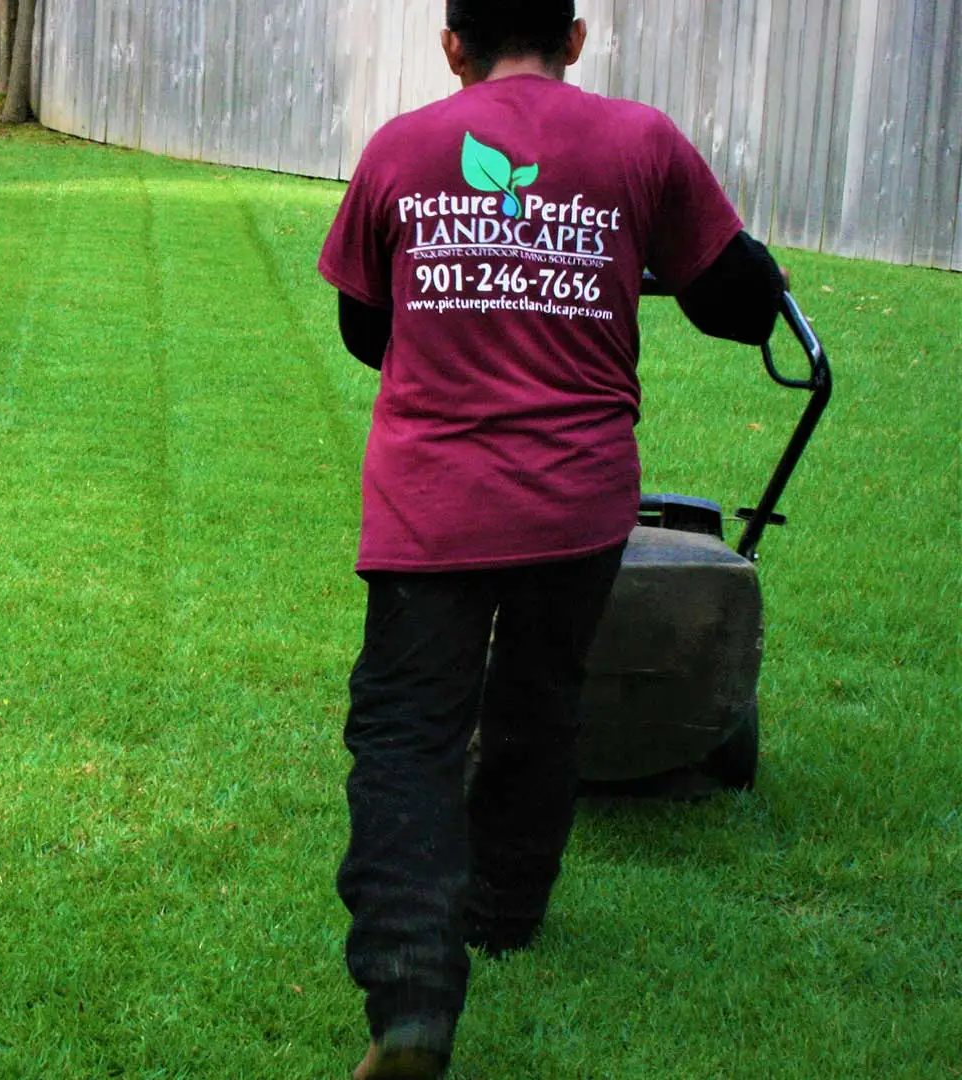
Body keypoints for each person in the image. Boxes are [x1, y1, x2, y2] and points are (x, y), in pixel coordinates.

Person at [315, 2, 787, 1077]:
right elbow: (730, 301)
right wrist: (757, 282)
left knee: (407, 735)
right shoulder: (641, 143)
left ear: (452, 46)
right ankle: (503, 911)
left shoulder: (400, 150)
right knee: (539, 699)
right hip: (575, 508)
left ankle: (412, 998)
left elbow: (362, 326)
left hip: (431, 506)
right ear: (575, 38)